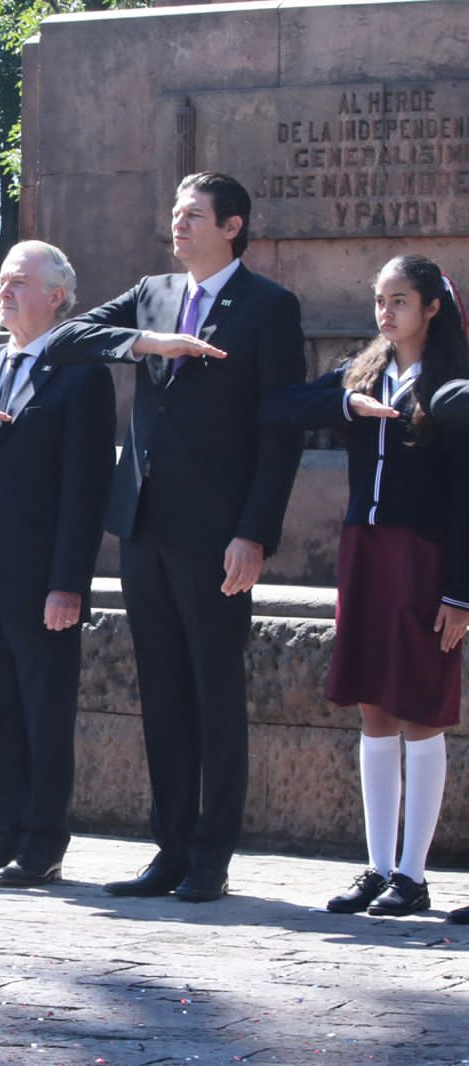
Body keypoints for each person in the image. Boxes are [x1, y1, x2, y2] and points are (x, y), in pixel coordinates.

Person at [0, 241, 223, 887]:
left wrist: (69, 584)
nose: (3, 291)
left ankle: (42, 845)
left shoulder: (78, 374)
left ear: (57, 296)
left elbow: (85, 490)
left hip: (39, 581)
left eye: (18, 282)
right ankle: (2, 835)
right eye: (1, 281)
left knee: (42, 714)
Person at [72, 172, 307, 902]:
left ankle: (212, 855)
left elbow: (282, 434)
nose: (178, 224)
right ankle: (169, 849)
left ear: (232, 226)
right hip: (144, 524)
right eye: (175, 212)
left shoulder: (269, 307)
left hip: (217, 536)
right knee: (164, 694)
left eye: (194, 214)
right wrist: (147, 342)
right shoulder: (151, 293)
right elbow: (72, 336)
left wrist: (254, 534)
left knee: (213, 692)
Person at [267, 256, 469, 916]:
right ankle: (378, 867)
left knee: (419, 708)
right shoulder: (367, 370)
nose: (386, 313)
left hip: (423, 556)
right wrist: (343, 401)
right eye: (380, 300)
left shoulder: (454, 387)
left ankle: (414, 874)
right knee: (373, 707)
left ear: (432, 307)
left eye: (401, 300)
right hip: (364, 551)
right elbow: (283, 405)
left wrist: (460, 595)